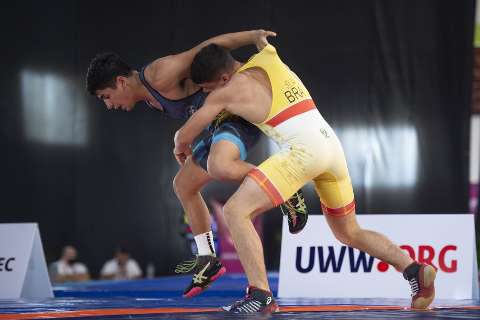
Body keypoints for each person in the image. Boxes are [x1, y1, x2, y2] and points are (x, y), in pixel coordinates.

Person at [173, 42, 437, 313]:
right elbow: (261, 40)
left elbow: (184, 135)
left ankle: (260, 294)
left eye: (207, 88)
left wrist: (179, 146)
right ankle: (414, 269)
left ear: (224, 78)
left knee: (236, 211)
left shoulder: (227, 92)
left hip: (304, 152)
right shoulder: (268, 55)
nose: (207, 94)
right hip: (331, 147)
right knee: (349, 231)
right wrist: (256, 36)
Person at [86, 30, 308, 297]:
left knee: (221, 165)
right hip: (218, 120)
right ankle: (208, 260)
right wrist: (186, 137)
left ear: (121, 82)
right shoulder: (148, 95)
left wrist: (253, 36)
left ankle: (285, 188)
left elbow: (208, 47)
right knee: (183, 185)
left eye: (106, 97)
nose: (109, 106)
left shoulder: (159, 74)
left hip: (238, 111)